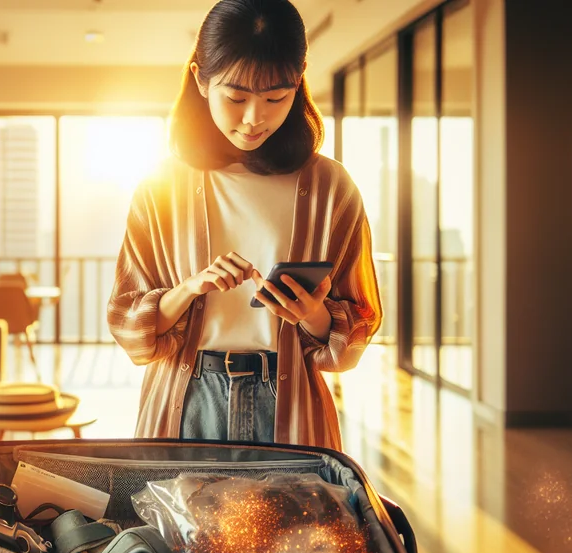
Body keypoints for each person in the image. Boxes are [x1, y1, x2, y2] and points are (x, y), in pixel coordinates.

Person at [107, 0, 381, 450]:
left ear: (298, 84)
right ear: (200, 79)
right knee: (172, 521)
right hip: (185, 401)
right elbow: (125, 320)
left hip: (290, 405)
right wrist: (189, 289)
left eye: (276, 98)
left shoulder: (331, 187)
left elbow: (359, 326)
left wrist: (313, 316)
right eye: (235, 97)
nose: (255, 118)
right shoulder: (160, 188)